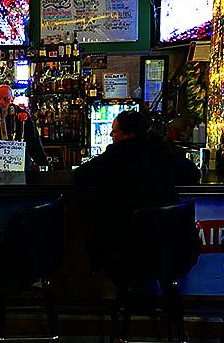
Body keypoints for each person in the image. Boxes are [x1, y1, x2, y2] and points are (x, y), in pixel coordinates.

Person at [72, 110, 200, 276]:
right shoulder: (161, 151)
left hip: (126, 246)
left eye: (115, 131)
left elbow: (80, 176)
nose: (111, 135)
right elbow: (193, 173)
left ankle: (130, 287)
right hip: (172, 245)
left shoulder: (115, 155)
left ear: (128, 135)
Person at [0, 84, 48, 171]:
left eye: (6, 99)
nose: (2, 102)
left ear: (12, 99)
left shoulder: (21, 115)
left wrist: (43, 164)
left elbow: (33, 141)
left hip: (20, 164)